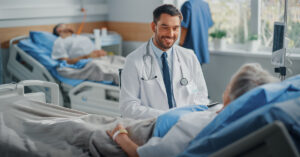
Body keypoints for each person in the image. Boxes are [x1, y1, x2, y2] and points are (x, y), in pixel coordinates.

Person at [107, 63, 279, 157]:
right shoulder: (238, 119)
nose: (171, 33)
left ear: (230, 93)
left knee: (87, 128)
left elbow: (143, 154)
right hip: (154, 119)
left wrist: (119, 136)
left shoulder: (199, 126)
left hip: (146, 132)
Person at [120, 4, 209, 119]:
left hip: (186, 123)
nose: (171, 34)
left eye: (175, 28)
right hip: (152, 126)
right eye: (165, 27)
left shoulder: (189, 57)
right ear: (153, 27)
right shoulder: (133, 60)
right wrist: (167, 117)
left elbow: (201, 96)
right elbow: (128, 107)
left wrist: (190, 117)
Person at [51, 23, 125, 85]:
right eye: (65, 26)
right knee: (100, 67)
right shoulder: (60, 42)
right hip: (88, 63)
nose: (69, 26)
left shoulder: (79, 37)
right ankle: (126, 79)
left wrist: (100, 52)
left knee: (120, 60)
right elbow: (67, 62)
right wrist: (88, 56)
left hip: (100, 58)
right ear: (59, 30)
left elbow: (93, 50)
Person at [179, 0, 214, 64]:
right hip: (202, 48)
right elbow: (208, 24)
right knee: (197, 72)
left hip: (189, 48)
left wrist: (180, 44)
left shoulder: (187, 5)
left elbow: (184, 28)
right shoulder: (205, 5)